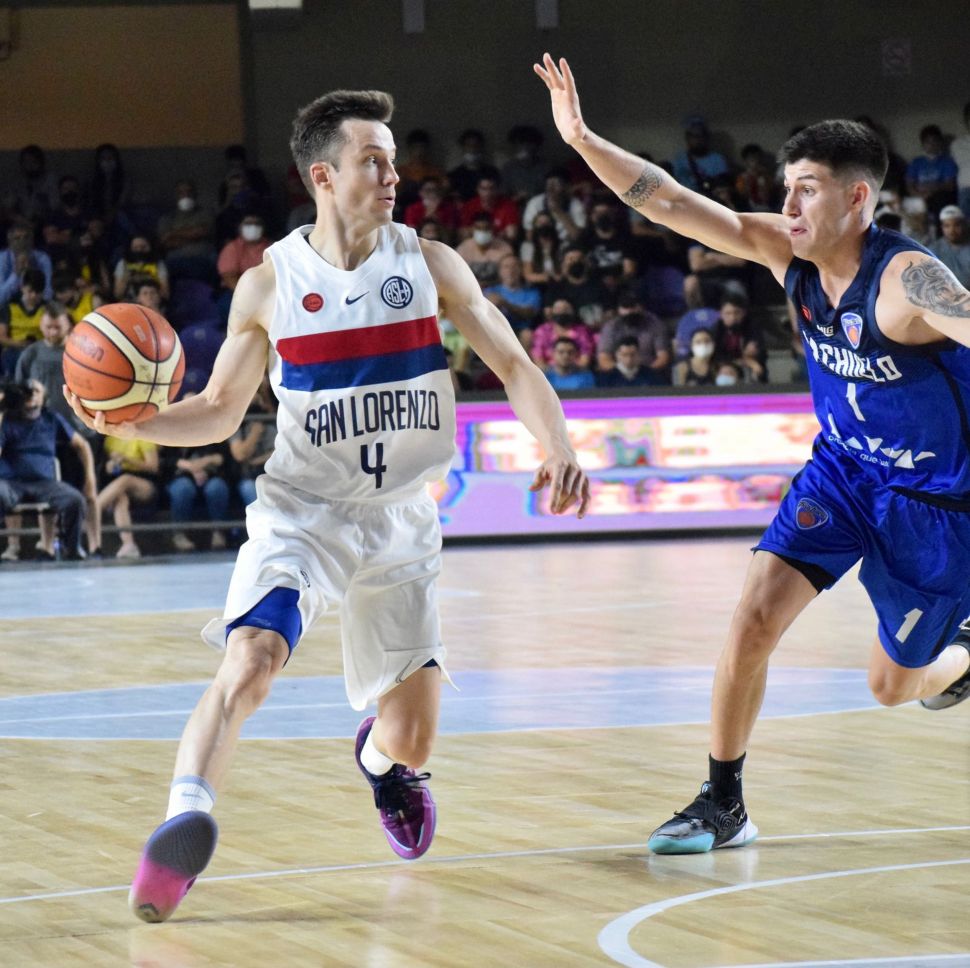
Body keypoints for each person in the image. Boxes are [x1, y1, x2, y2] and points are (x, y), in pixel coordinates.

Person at [66, 86, 589, 922]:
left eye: (392, 160)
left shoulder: (430, 264)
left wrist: (557, 444)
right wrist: (135, 420)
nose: (394, 175)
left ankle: (381, 763)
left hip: (402, 518)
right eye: (372, 161)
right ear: (323, 175)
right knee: (251, 660)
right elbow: (220, 411)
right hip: (304, 512)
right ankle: (181, 822)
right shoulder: (270, 284)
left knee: (412, 738)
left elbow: (516, 366)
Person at [537, 53, 970, 856]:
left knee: (893, 686)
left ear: (857, 198)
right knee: (753, 617)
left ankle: (964, 656)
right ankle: (723, 802)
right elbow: (673, 203)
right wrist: (583, 139)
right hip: (843, 474)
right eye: (786, 187)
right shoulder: (787, 254)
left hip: (937, 502)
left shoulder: (907, 280)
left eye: (807, 188)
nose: (788, 204)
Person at [0, 379, 95, 561]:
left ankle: (72, 550)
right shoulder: (8, 420)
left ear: (44, 397)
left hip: (45, 483)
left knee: (74, 499)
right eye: (26, 391)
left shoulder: (51, 418)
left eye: (36, 391)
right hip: (11, 483)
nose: (31, 394)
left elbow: (82, 444)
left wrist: (90, 479)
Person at [97, 435, 160, 558]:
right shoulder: (110, 439)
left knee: (125, 479)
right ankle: (129, 544)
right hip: (119, 482)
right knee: (120, 498)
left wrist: (127, 459)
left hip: (145, 482)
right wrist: (110, 466)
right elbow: (108, 467)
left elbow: (153, 467)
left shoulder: (143, 437)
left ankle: (90, 512)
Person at [929, 205, 970, 289]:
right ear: (942, 228)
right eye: (947, 226)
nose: (952, 230)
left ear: (964, 225)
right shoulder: (934, 250)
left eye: (957, 225)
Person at [595, 336, 662, 388]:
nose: (629, 359)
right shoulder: (606, 379)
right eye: (624, 355)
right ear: (617, 355)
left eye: (633, 355)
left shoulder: (651, 376)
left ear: (639, 354)